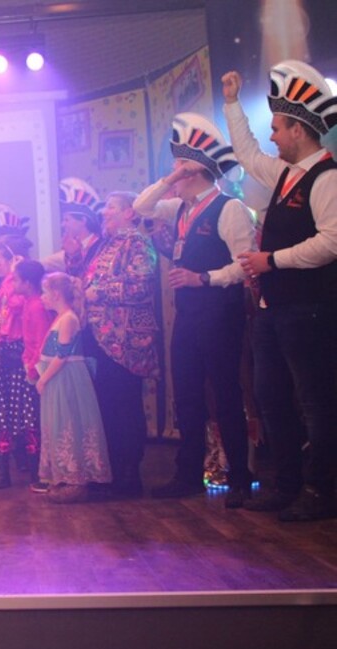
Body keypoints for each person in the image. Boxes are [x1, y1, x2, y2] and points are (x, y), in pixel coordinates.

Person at [222, 62, 337, 521]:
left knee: (315, 402)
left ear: (298, 130)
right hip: (274, 309)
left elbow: (332, 242)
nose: (271, 136)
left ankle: (322, 491)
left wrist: (271, 260)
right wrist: (232, 104)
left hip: (308, 309)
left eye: (276, 128)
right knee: (272, 397)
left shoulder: (327, 177)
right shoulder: (287, 174)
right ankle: (286, 485)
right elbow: (248, 155)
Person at [133, 113, 257, 507]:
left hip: (219, 313)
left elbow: (245, 265)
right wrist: (170, 178)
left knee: (225, 393)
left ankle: (240, 478)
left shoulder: (229, 208)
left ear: (196, 169)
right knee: (186, 394)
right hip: (187, 315)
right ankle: (189, 474)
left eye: (179, 166)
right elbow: (141, 206)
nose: (174, 174)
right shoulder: (180, 208)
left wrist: (203, 278)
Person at [74, 191, 160, 497]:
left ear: (129, 213)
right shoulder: (105, 244)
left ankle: (128, 475)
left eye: (111, 207)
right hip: (99, 337)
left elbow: (141, 284)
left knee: (124, 406)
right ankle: (109, 473)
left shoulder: (137, 241)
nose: (104, 212)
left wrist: (98, 292)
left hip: (124, 341)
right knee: (106, 406)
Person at [0, 255, 51, 490]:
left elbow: (34, 333)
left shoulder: (27, 297)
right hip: (0, 355)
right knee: (1, 415)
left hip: (21, 357)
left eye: (1, 258)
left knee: (29, 415)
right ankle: (3, 471)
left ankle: (35, 471)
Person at [35, 272, 112, 503]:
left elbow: (63, 355)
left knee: (67, 422)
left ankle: (75, 479)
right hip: (58, 379)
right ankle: (63, 476)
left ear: (56, 294)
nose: (42, 297)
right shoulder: (61, 317)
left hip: (65, 378)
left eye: (45, 292)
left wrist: (43, 379)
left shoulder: (68, 319)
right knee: (58, 424)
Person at [41, 178, 103, 273]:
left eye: (67, 220)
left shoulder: (100, 246)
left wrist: (73, 255)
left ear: (83, 221)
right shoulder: (75, 245)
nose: (63, 224)